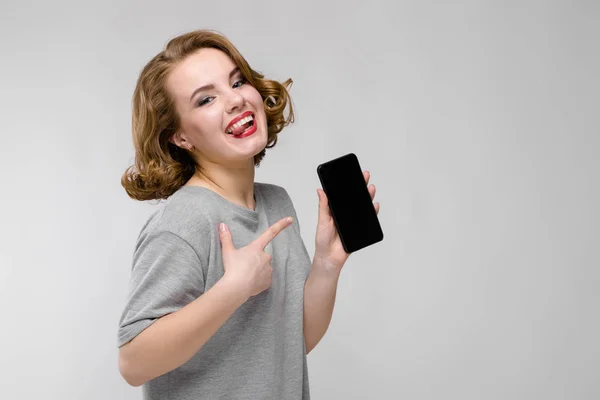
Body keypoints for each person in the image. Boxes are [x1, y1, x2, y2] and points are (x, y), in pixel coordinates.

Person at [117, 29, 380, 400]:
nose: (235, 100)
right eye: (206, 99)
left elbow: (295, 341)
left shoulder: (276, 203)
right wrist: (233, 290)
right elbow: (133, 362)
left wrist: (326, 263)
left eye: (237, 81)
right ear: (180, 137)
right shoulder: (184, 221)